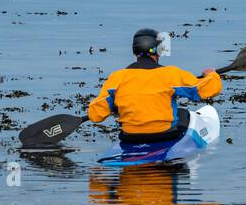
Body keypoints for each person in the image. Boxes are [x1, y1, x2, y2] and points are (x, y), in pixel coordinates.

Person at [88, 28, 222, 144]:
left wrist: (115, 105)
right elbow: (209, 89)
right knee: (183, 114)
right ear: (158, 50)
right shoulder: (170, 74)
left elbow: (95, 116)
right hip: (164, 136)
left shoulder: (117, 77)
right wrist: (211, 75)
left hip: (130, 138)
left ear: (135, 50)